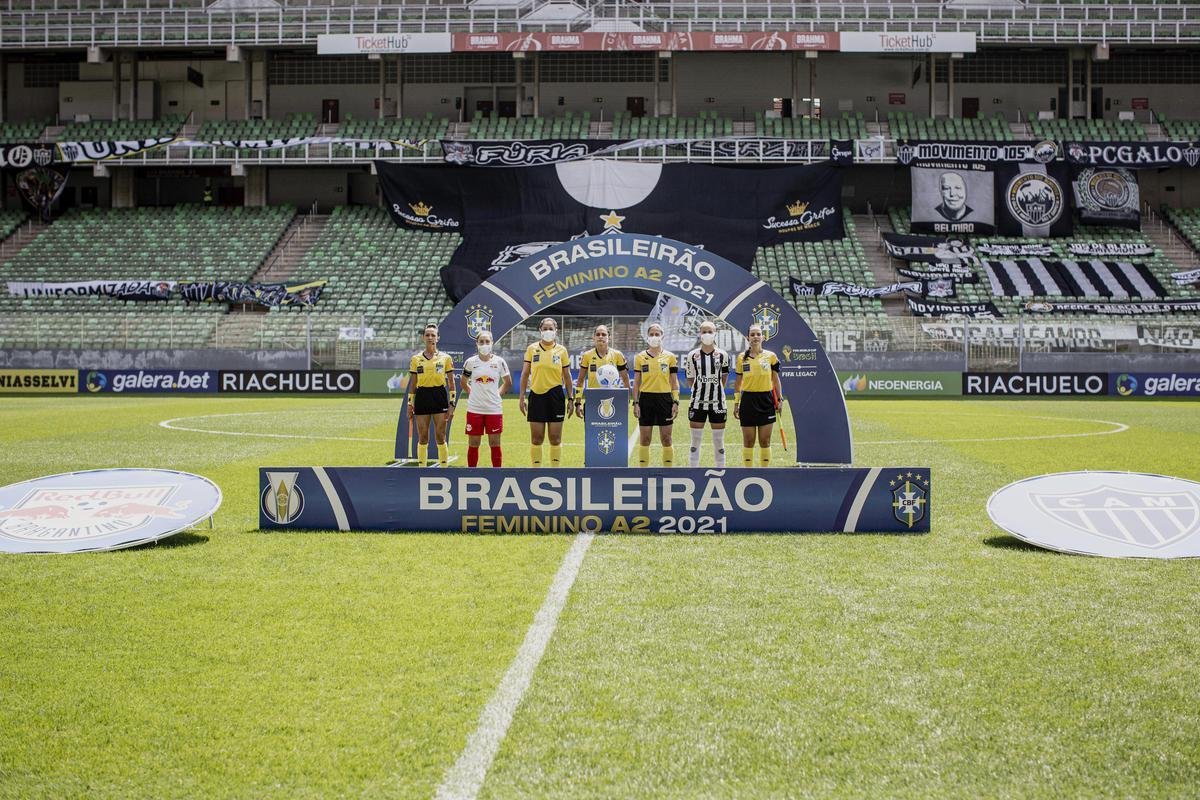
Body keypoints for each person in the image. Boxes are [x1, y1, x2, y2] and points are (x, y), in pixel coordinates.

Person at [519, 317, 575, 467]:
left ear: (556, 331)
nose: (548, 331)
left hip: (556, 396)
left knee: (555, 438)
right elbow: (525, 374)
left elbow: (567, 376)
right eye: (545, 329)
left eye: (551, 329)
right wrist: (521, 396)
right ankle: (536, 471)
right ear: (540, 331)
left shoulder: (561, 350)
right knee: (537, 439)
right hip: (536, 396)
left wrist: (570, 399)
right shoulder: (532, 349)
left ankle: (554, 471)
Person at [406, 322, 455, 467]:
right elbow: (413, 384)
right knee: (423, 436)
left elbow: (452, 384)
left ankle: (444, 468)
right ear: (423, 338)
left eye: (433, 335)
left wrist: (452, 403)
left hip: (439, 395)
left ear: (437, 338)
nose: (430, 337)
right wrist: (410, 403)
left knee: (440, 435)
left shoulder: (446, 358)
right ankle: (422, 469)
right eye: (427, 335)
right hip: (422, 396)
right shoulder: (416, 359)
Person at [733, 323, 782, 467]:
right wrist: (737, 403)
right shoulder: (742, 357)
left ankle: (764, 473)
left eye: (758, 334)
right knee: (748, 441)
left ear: (763, 337)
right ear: (748, 337)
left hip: (766, 400)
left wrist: (779, 399)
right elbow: (737, 383)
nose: (755, 337)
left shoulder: (771, 356)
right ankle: (748, 473)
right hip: (747, 401)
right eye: (752, 334)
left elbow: (775, 379)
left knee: (765, 441)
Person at [630, 322, 679, 467]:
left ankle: (668, 471)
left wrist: (675, 402)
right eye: (651, 334)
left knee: (666, 439)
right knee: (645, 439)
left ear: (662, 336)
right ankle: (643, 472)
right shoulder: (640, 357)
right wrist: (636, 403)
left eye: (657, 334)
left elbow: (674, 382)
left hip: (665, 399)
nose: (654, 336)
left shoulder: (670, 357)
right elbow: (637, 383)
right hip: (646, 400)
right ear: (647, 337)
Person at [684, 320, 731, 468]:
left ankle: (720, 470)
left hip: (718, 403)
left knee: (719, 442)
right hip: (697, 403)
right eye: (704, 331)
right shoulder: (692, 355)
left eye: (710, 331)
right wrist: (699, 391)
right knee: (695, 442)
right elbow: (690, 378)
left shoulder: (723, 355)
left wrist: (715, 390)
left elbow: (724, 377)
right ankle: (693, 472)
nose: (707, 334)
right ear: (699, 334)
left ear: (715, 333)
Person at [460, 330, 511, 468]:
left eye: (487, 341)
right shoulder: (470, 362)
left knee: (495, 444)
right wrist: (473, 393)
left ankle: (497, 474)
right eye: (481, 342)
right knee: (473, 443)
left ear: (492, 343)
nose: (484, 344)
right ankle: (472, 474)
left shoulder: (499, 362)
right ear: (477, 344)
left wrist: (496, 395)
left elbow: (508, 383)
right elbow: (463, 382)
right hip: (474, 409)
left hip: (494, 410)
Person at [573, 323, 630, 418]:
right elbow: (580, 380)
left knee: (614, 430)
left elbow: (625, 379)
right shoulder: (587, 355)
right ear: (593, 338)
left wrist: (626, 400)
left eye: (604, 334)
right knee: (592, 432)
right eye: (598, 334)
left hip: (613, 399)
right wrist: (578, 403)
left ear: (609, 337)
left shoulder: (617, 355)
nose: (600, 337)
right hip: (593, 399)